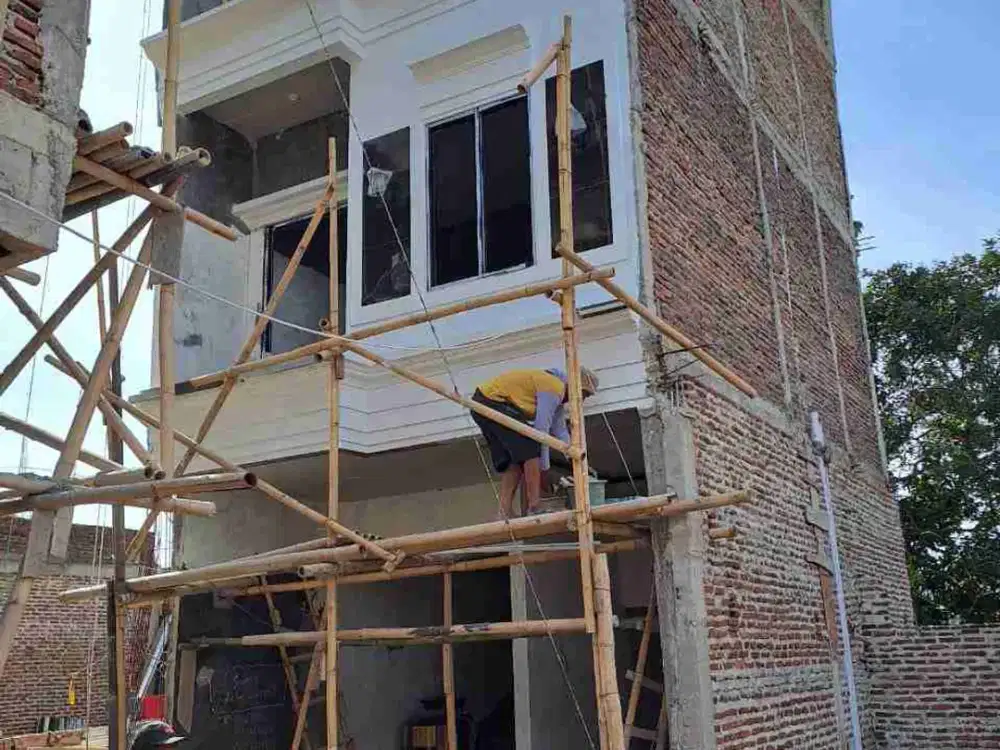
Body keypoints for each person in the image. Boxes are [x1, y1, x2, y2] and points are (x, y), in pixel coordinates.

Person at [471, 367, 599, 518]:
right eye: (584, 394)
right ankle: (535, 506)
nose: (582, 400)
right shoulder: (553, 387)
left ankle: (504, 512)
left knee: (515, 459)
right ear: (575, 385)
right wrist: (544, 471)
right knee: (531, 448)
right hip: (492, 401)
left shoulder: (556, 394)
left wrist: (577, 461)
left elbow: (560, 431)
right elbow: (541, 432)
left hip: (483, 402)